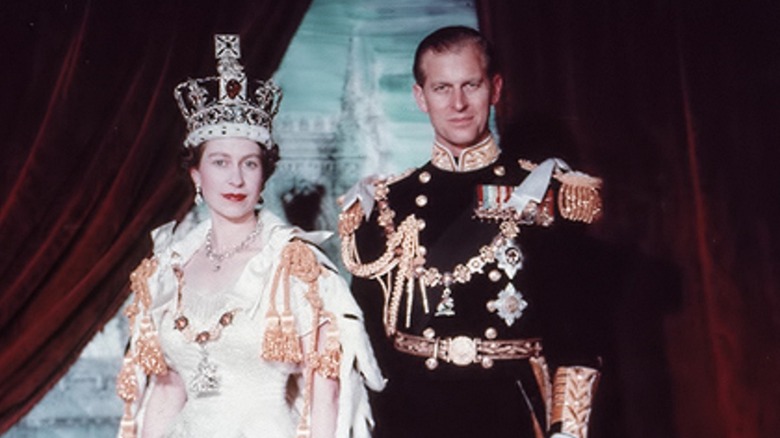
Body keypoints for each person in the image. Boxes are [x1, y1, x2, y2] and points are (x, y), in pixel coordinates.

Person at [339, 26, 603, 438]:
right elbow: (366, 337)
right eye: (442, 88)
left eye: (471, 85)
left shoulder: (543, 193)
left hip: (509, 414)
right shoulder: (387, 202)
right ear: (420, 97)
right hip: (410, 416)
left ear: (495, 89)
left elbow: (577, 332)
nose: (458, 103)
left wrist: (567, 431)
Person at [115, 34, 383, 438]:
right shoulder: (169, 269)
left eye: (249, 164)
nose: (236, 179)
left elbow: (323, 388)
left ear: (264, 174)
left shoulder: (294, 264)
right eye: (220, 162)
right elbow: (168, 391)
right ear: (196, 175)